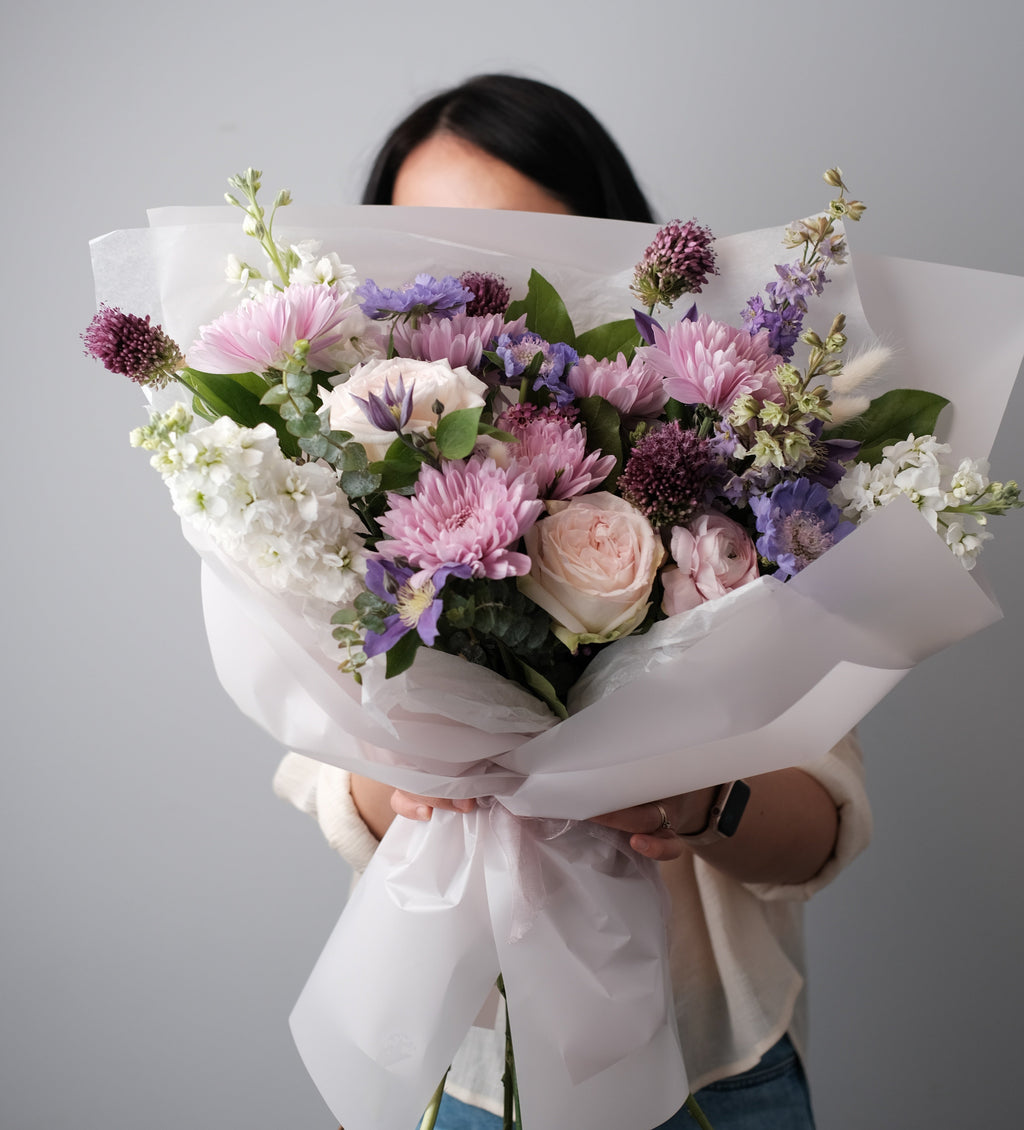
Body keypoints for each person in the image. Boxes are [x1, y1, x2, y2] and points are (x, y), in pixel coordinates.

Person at [273, 74, 871, 1130]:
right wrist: (419, 776)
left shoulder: (739, 466)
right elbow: (323, 773)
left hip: (709, 1068)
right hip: (456, 1063)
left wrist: (692, 799)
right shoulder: (345, 474)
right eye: (431, 250)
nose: (472, 291)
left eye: (511, 250)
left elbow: (826, 817)